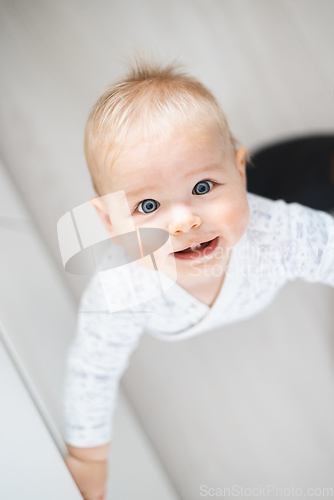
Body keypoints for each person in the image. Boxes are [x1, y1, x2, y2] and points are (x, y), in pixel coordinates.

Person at [62, 59, 334, 500]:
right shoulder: (121, 289)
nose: (185, 221)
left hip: (276, 192)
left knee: (309, 180)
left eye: (203, 187)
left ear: (238, 171)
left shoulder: (279, 234)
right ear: (108, 222)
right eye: (148, 207)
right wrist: (89, 457)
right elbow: (92, 371)